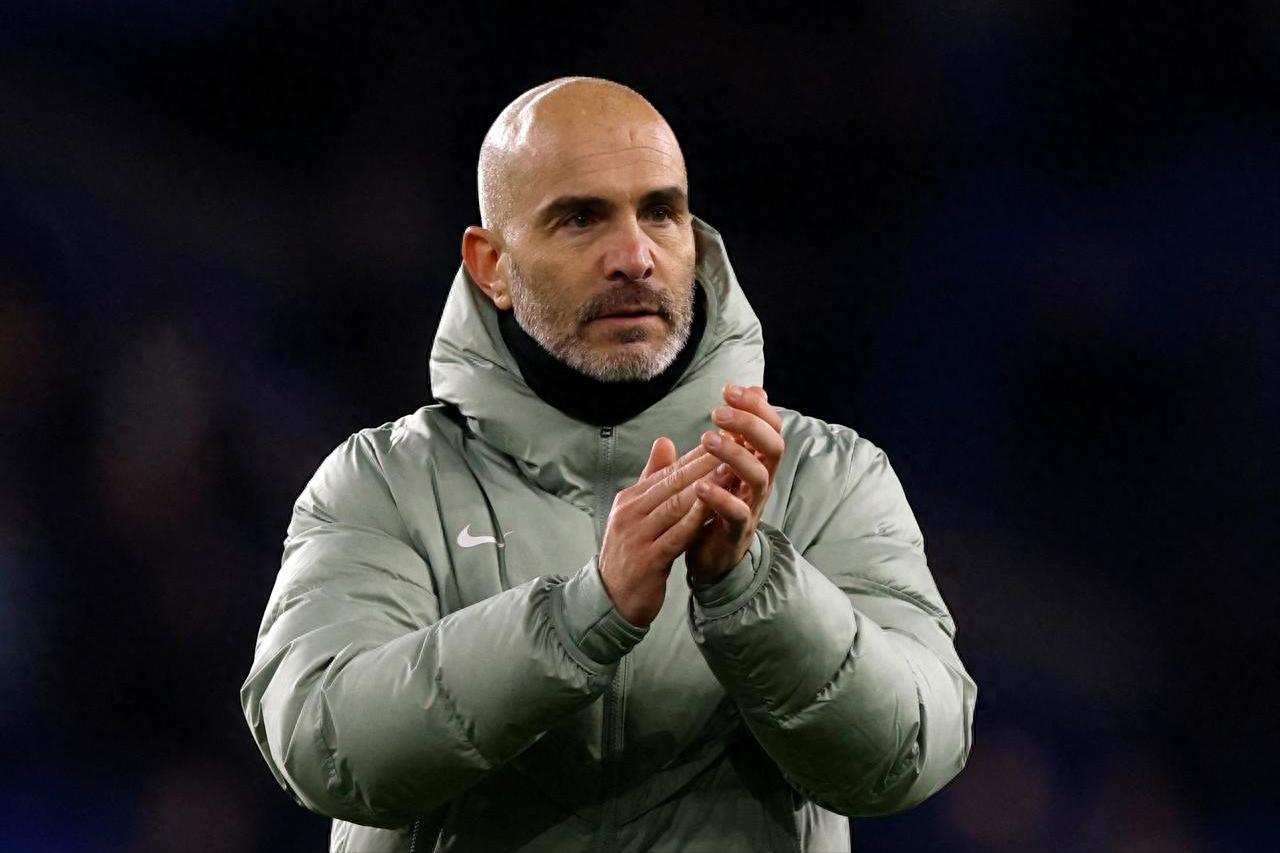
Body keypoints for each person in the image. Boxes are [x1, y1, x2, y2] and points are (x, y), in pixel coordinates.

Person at [241, 76, 977, 853]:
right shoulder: (383, 484)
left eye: (660, 212)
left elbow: (909, 754)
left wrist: (753, 587)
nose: (634, 256)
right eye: (581, 218)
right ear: (492, 265)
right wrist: (581, 616)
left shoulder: (827, 477)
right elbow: (323, 744)